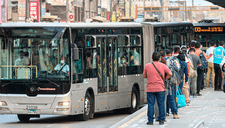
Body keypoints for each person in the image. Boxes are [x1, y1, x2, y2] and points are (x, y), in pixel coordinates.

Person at [143, 52, 172, 125]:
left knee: (150, 104)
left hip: (150, 88)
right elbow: (170, 74)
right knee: (161, 104)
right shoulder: (163, 65)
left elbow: (144, 75)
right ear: (159, 59)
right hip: (160, 88)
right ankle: (161, 120)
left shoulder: (147, 66)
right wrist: (164, 78)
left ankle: (150, 120)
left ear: (152, 58)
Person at [165, 50, 179, 119]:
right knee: (171, 98)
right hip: (170, 82)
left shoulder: (163, 62)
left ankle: (165, 112)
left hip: (162, 83)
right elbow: (177, 68)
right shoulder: (172, 61)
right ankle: (174, 113)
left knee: (162, 99)